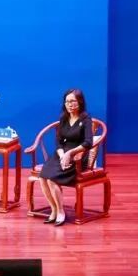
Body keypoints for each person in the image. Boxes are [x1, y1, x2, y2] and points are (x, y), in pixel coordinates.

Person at [38, 88, 94, 226]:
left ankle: (61, 211)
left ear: (80, 102)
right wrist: (63, 154)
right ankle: (54, 210)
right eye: (67, 101)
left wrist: (70, 154)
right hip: (61, 154)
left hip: (78, 156)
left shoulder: (86, 118)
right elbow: (58, 142)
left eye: (73, 101)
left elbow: (88, 143)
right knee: (42, 177)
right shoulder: (63, 118)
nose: (69, 104)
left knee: (52, 179)